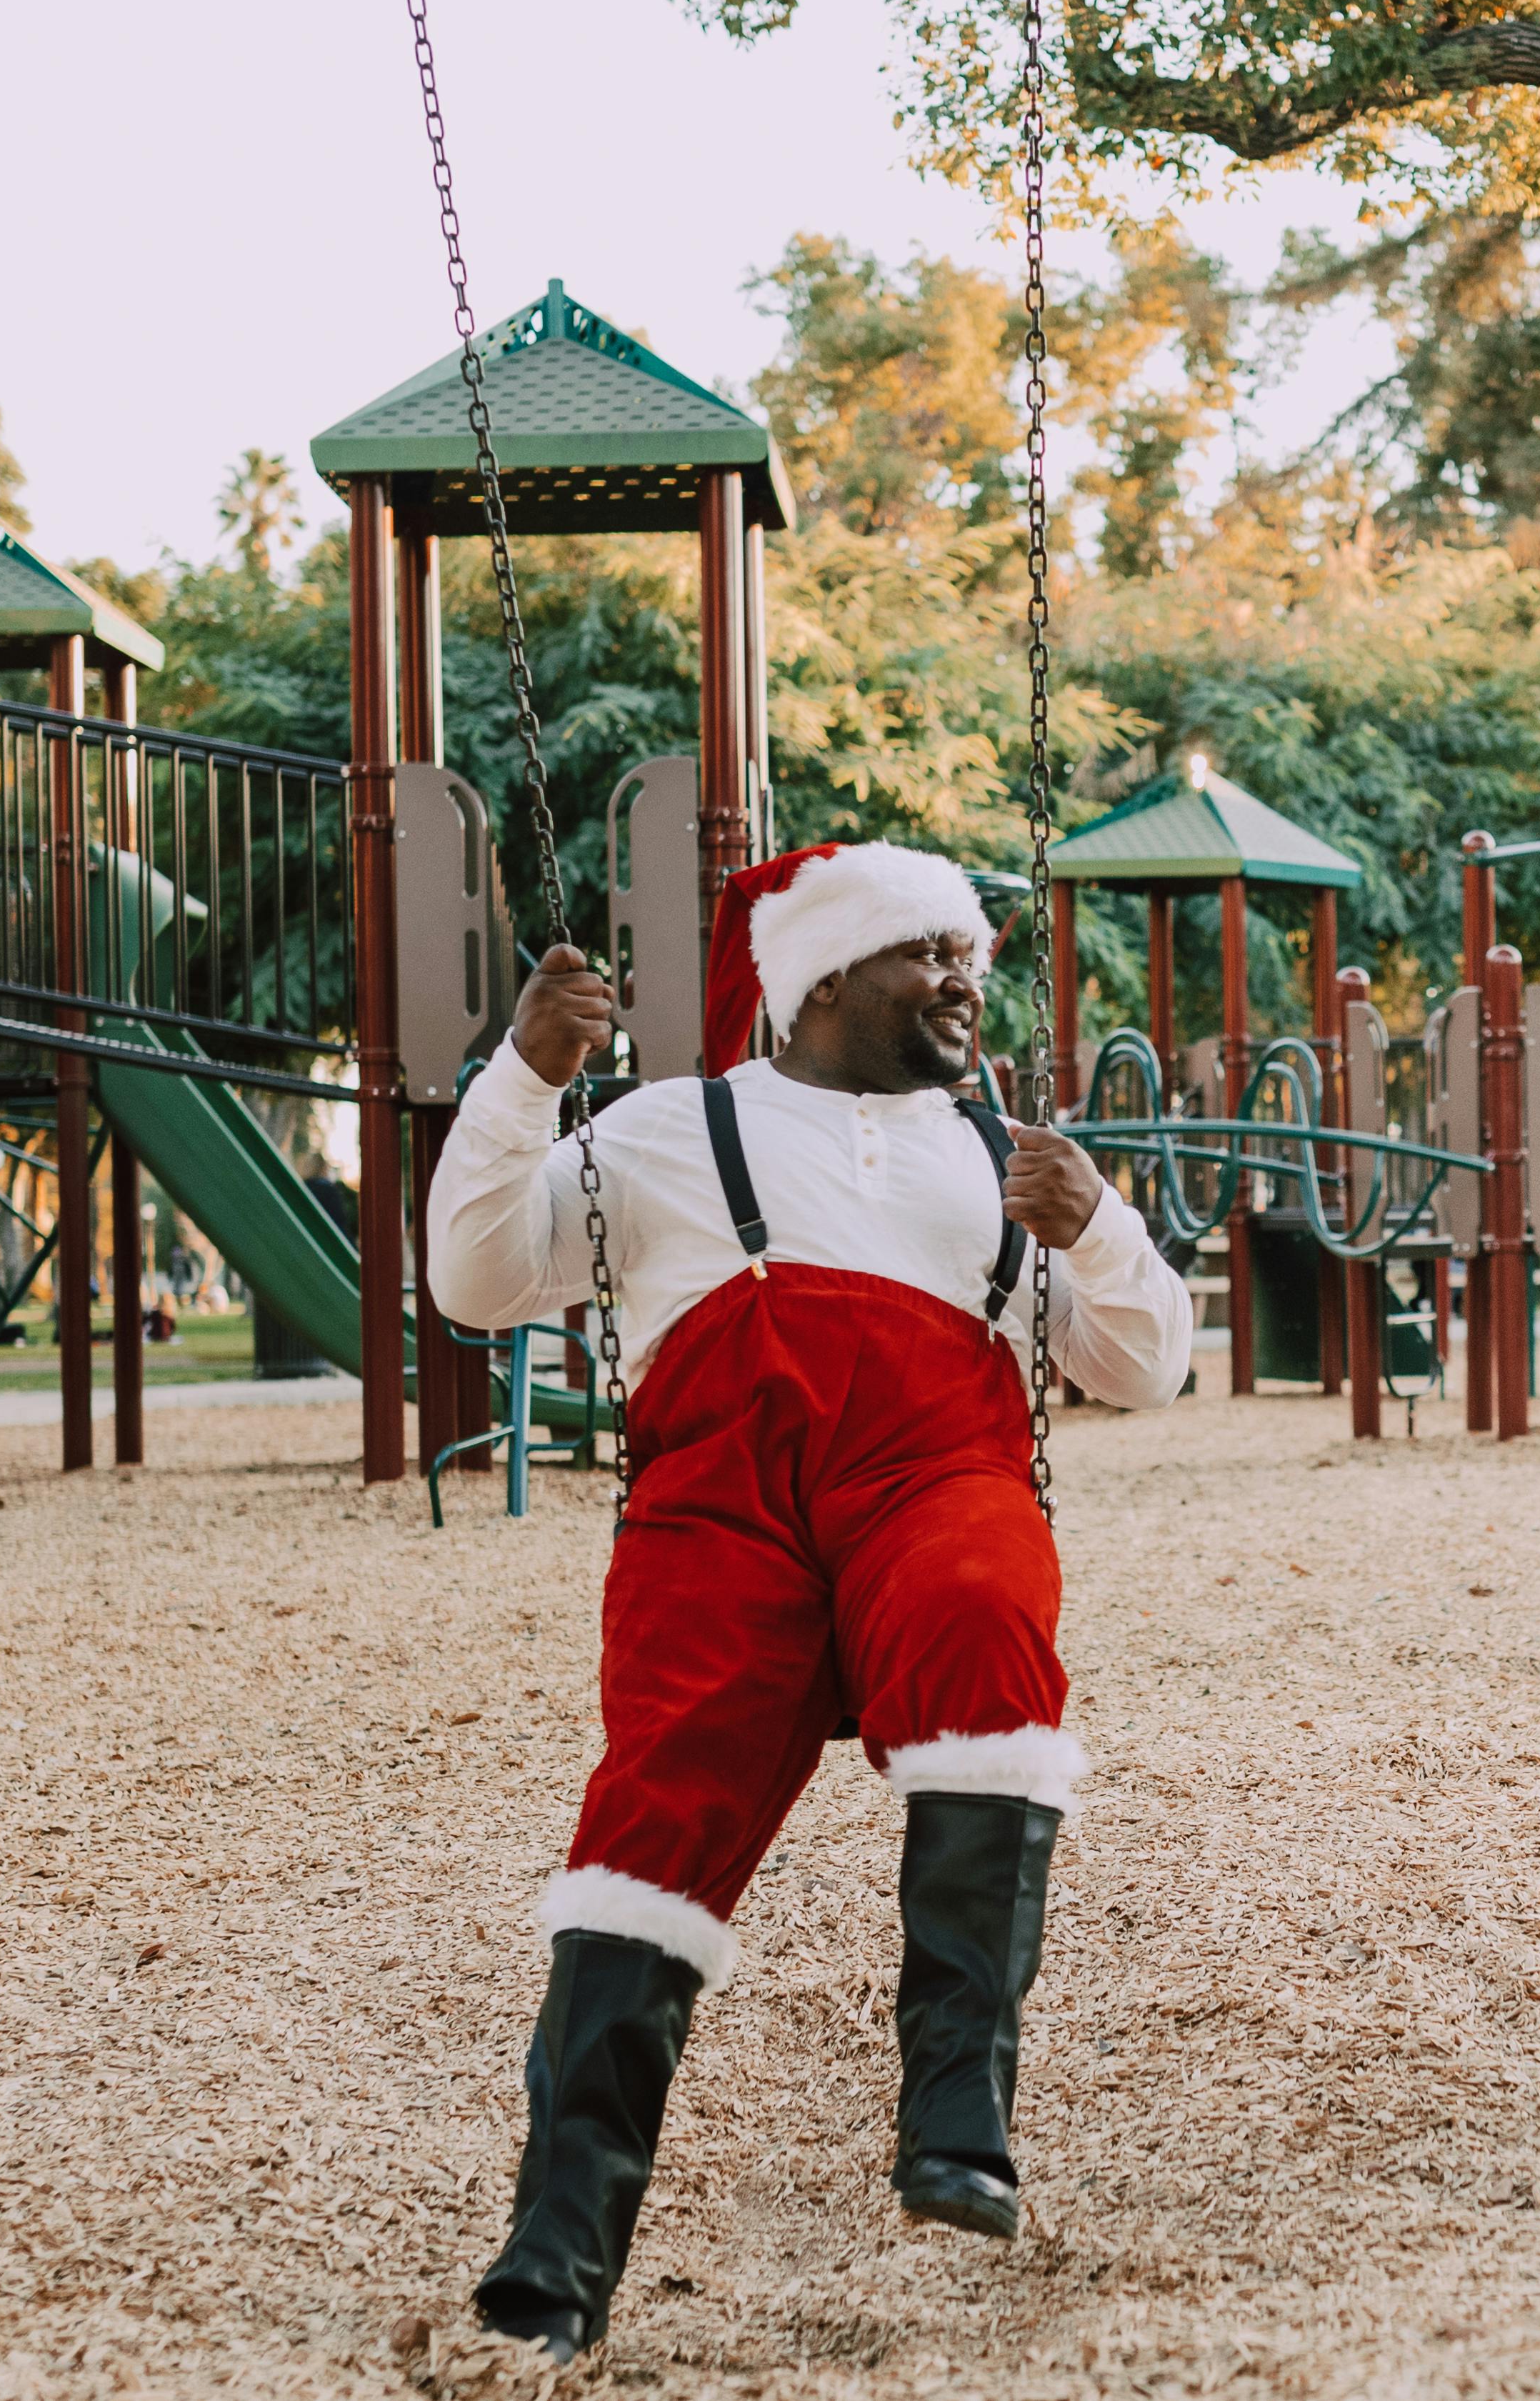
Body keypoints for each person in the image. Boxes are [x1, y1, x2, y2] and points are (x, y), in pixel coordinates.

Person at [424, 839, 1196, 2357]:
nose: (965, 982)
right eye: (930, 954)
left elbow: (1146, 1364)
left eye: (971, 956)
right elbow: (474, 1276)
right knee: (654, 1813)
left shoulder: (993, 1158)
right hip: (724, 1510)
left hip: (934, 1479)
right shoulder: (665, 1130)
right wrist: (522, 1075)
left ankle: (954, 2109)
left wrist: (1095, 1220)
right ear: (828, 975)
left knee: (985, 1610)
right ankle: (556, 2252)